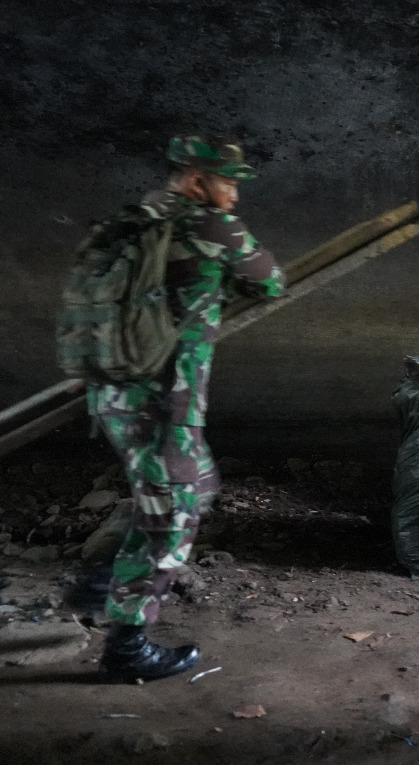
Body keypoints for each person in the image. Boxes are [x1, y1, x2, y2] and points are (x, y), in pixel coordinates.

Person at [89, 135, 285, 683]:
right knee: (176, 509)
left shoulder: (131, 222)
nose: (234, 196)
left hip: (110, 390)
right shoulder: (212, 226)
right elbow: (269, 282)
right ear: (197, 180)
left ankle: (95, 579)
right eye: (228, 183)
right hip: (164, 399)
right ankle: (125, 647)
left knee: (193, 486)